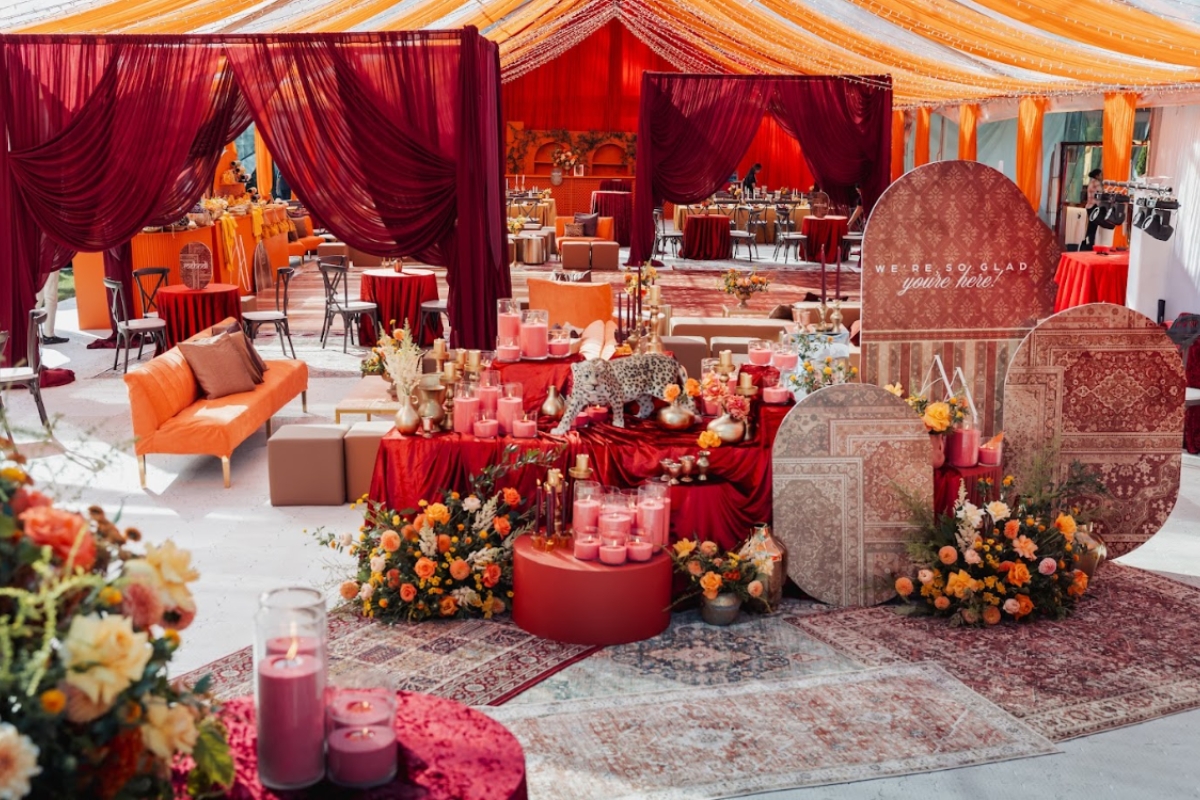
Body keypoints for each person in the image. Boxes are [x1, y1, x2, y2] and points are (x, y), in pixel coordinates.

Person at [37, 264, 68, 345]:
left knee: (37, 298)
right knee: (50, 298)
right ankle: (48, 335)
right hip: (50, 261)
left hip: (34, 260)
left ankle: (31, 334)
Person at [1081, 168, 1103, 251]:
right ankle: (1090, 245)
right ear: (1097, 175)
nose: (1101, 176)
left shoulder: (1091, 182)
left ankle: (1088, 244)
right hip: (1094, 206)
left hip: (1089, 206)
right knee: (1093, 227)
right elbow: (1101, 193)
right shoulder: (1096, 182)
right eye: (1100, 175)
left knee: (1090, 227)